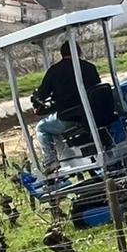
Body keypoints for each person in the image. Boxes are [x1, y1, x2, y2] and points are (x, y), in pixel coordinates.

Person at [32, 40, 102, 172]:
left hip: (70, 118)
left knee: (41, 127)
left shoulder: (54, 71)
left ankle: (51, 160)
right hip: (94, 114)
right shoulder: (90, 67)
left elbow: (41, 95)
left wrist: (38, 102)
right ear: (79, 52)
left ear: (62, 54)